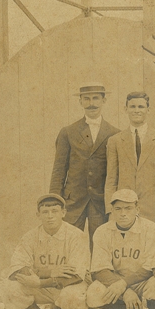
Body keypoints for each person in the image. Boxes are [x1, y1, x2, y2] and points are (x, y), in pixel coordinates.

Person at [3, 194, 90, 309]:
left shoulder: (76, 235)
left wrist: (40, 282)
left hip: (67, 286)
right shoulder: (30, 237)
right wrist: (49, 272)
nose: (50, 216)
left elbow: (76, 276)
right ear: (38, 215)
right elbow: (17, 269)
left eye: (55, 211)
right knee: (10, 287)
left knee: (74, 294)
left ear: (63, 213)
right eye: (45, 212)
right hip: (43, 283)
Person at [85, 189, 155, 309]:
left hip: (144, 280)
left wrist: (124, 284)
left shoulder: (150, 228)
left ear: (137, 209)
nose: (123, 213)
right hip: (117, 281)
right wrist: (125, 291)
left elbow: (152, 266)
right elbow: (99, 270)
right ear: (112, 210)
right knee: (93, 294)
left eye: (128, 208)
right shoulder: (102, 231)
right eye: (118, 209)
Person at [50, 83, 119, 247]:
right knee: (68, 244)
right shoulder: (68, 132)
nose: (91, 103)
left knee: (100, 244)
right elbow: (59, 171)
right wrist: (54, 201)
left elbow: (116, 173)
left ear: (104, 101)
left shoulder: (114, 134)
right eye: (86, 99)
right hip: (72, 201)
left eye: (96, 98)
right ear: (80, 102)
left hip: (100, 201)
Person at [105, 92, 155, 231]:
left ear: (148, 109)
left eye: (141, 107)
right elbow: (111, 179)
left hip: (153, 207)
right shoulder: (115, 141)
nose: (136, 110)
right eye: (132, 106)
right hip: (125, 208)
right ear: (125, 109)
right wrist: (110, 210)